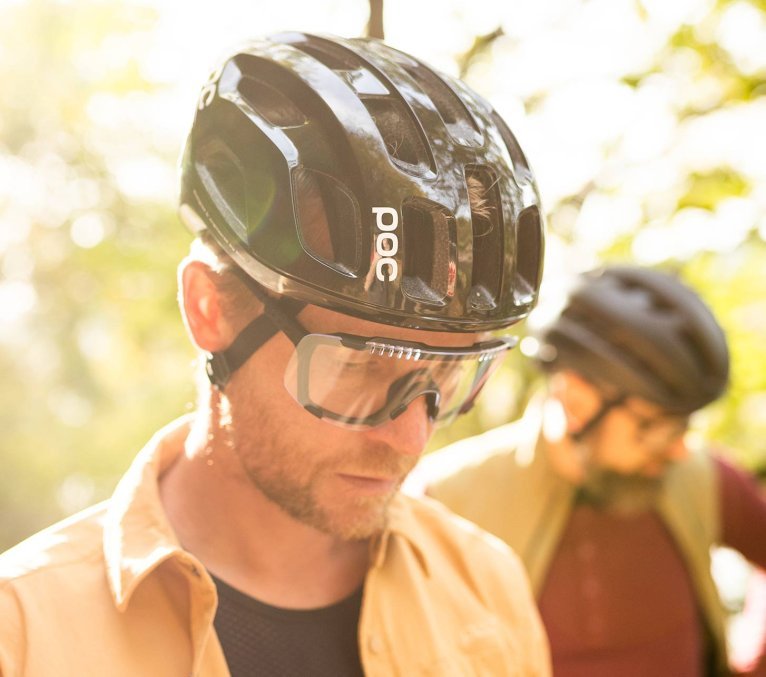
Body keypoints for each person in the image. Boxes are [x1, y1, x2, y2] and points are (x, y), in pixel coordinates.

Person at [0, 32, 551, 676]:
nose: (409, 439)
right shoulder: (27, 634)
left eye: (447, 373)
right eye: (357, 365)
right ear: (209, 308)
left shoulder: (487, 588)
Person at [415, 265, 766, 677]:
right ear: (578, 400)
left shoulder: (702, 476)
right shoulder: (447, 503)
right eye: (653, 426)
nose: (677, 449)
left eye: (684, 424)